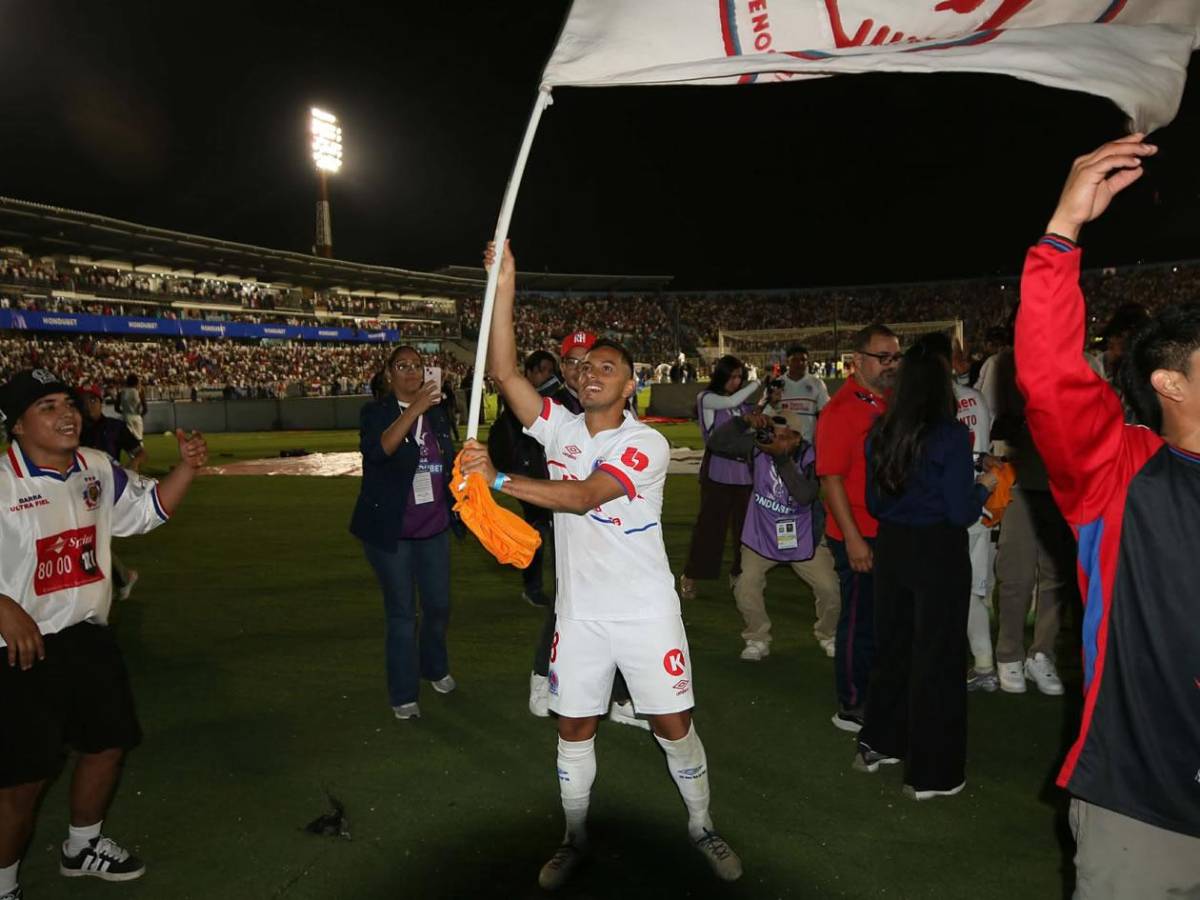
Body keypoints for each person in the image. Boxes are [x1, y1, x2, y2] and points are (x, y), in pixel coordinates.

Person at [465, 241, 742, 890]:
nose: (591, 373)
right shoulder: (558, 427)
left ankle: (701, 824)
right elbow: (504, 373)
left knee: (672, 726)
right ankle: (575, 836)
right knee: (574, 727)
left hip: (645, 613)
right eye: (585, 366)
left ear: (630, 384)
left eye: (608, 367)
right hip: (580, 615)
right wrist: (505, 285)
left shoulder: (645, 442)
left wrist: (498, 480)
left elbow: (585, 496)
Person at [1017, 133, 1199, 896]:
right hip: (1146, 806)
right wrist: (1063, 230)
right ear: (1171, 383)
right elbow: (1051, 377)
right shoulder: (1120, 472)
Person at [0, 368, 207, 900]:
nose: (66, 414)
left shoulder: (94, 466)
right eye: (47, 406)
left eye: (68, 403)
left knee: (108, 744)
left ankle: (82, 847)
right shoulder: (1, 483)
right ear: (17, 425)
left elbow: (146, 511)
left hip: (88, 637)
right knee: (22, 780)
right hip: (19, 651)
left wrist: (186, 469)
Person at [853, 340, 998, 801]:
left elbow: (875, 503)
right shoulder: (949, 436)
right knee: (938, 658)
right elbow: (960, 512)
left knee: (893, 648)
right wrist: (985, 486)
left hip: (894, 548)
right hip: (937, 550)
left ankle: (881, 742)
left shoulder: (881, 432)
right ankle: (933, 773)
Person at [349, 345, 462, 721]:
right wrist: (414, 409)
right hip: (392, 531)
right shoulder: (375, 412)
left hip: (433, 527)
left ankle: (434, 666)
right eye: (403, 366)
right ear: (389, 373)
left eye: (417, 365)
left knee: (439, 606)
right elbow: (379, 451)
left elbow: (447, 462)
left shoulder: (439, 414)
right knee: (401, 613)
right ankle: (403, 693)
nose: (412, 372)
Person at [979, 316, 1075, 696]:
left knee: (1056, 574)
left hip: (1061, 481)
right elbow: (990, 420)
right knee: (1015, 572)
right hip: (1020, 475)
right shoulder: (1002, 364)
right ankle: (1009, 653)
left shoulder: (1078, 361)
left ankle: (1042, 652)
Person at [816, 325, 900, 733]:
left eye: (895, 357)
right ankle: (852, 703)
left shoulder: (889, 401)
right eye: (883, 357)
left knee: (883, 619)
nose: (891, 364)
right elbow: (830, 479)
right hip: (859, 532)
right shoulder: (841, 410)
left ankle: (877, 691)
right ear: (858, 361)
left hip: (890, 527)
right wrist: (852, 539)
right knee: (860, 620)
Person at [706, 409, 840, 661]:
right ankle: (757, 637)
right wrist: (742, 422)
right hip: (761, 534)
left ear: (797, 438)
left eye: (783, 436)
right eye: (771, 433)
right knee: (745, 585)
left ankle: (828, 633)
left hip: (804, 536)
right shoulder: (758, 447)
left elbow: (804, 495)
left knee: (830, 588)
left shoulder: (810, 456)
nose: (774, 439)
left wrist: (781, 458)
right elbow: (716, 444)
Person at [680, 356, 761, 600]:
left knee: (744, 531)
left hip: (743, 473)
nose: (736, 381)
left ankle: (739, 574)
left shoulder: (740, 405)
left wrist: (768, 401)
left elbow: (751, 426)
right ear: (721, 375)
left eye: (740, 377)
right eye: (732, 376)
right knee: (709, 528)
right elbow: (732, 402)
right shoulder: (707, 398)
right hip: (717, 471)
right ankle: (691, 575)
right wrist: (758, 383)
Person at [78, 385, 147, 603]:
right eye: (83, 401)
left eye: (93, 400)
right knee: (90, 541)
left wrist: (132, 465)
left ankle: (120, 579)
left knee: (92, 540)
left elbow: (140, 452)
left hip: (105, 491)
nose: (88, 405)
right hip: (78, 491)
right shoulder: (74, 429)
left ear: (101, 402)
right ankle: (123, 578)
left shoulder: (115, 427)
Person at [773, 345, 830, 444]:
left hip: (808, 442)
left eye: (803, 360)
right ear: (787, 362)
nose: (799, 363)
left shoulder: (817, 384)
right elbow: (766, 411)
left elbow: (825, 414)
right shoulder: (776, 384)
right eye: (794, 360)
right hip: (782, 443)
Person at [115, 375, 146, 442]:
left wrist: (124, 412)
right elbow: (145, 408)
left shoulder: (121, 393)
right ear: (136, 383)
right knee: (139, 440)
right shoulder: (140, 392)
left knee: (128, 441)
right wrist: (140, 415)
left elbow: (116, 408)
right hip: (136, 416)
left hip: (126, 417)